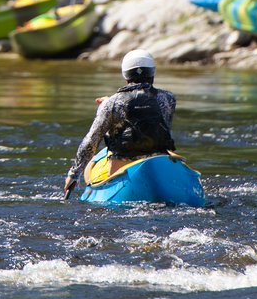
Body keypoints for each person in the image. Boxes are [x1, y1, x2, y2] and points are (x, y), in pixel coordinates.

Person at [63, 49, 178, 200]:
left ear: (125, 74)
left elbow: (91, 141)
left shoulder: (112, 104)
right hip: (159, 163)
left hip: (123, 167)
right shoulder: (168, 98)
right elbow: (151, 122)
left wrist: (74, 174)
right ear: (152, 72)